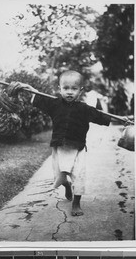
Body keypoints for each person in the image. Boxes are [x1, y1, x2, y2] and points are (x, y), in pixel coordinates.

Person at [12, 70, 127, 217]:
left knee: (79, 175)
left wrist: (122, 119)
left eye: (74, 89)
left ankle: (76, 203)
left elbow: (102, 116)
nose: (69, 92)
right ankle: (66, 184)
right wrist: (27, 87)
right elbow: (37, 96)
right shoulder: (54, 104)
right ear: (60, 89)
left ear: (80, 90)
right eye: (65, 88)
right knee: (59, 175)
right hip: (59, 147)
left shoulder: (85, 109)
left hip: (78, 148)